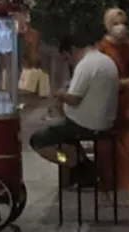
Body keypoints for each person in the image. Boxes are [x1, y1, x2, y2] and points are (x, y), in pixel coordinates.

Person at [30, 32, 119, 188]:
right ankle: (78, 164)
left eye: (67, 58)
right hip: (105, 121)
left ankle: (76, 164)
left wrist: (60, 94)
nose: (69, 63)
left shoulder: (86, 65)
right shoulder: (105, 61)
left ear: (71, 51)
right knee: (65, 140)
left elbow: (74, 98)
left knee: (38, 140)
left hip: (85, 123)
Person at [96, 8, 129, 207]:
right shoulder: (102, 50)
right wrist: (122, 84)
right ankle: (107, 188)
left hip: (127, 105)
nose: (121, 27)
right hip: (109, 105)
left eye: (123, 22)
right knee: (108, 151)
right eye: (116, 22)